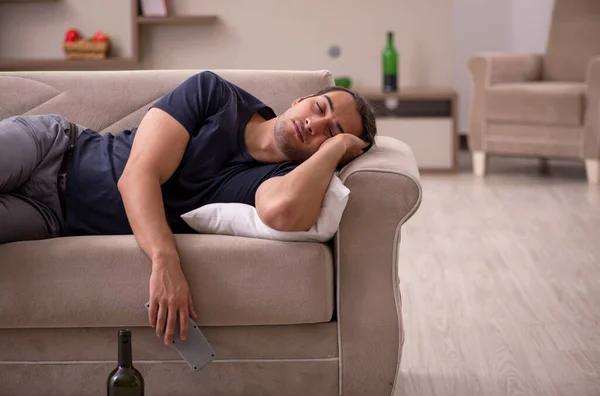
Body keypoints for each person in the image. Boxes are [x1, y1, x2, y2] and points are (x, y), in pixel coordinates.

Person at [0, 70, 377, 345]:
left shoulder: (275, 179)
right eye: (320, 107)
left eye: (331, 130)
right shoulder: (213, 94)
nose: (315, 123)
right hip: (51, 149)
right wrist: (166, 262)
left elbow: (283, 213)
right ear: (299, 101)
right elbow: (138, 176)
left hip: (53, 219)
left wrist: (333, 151)